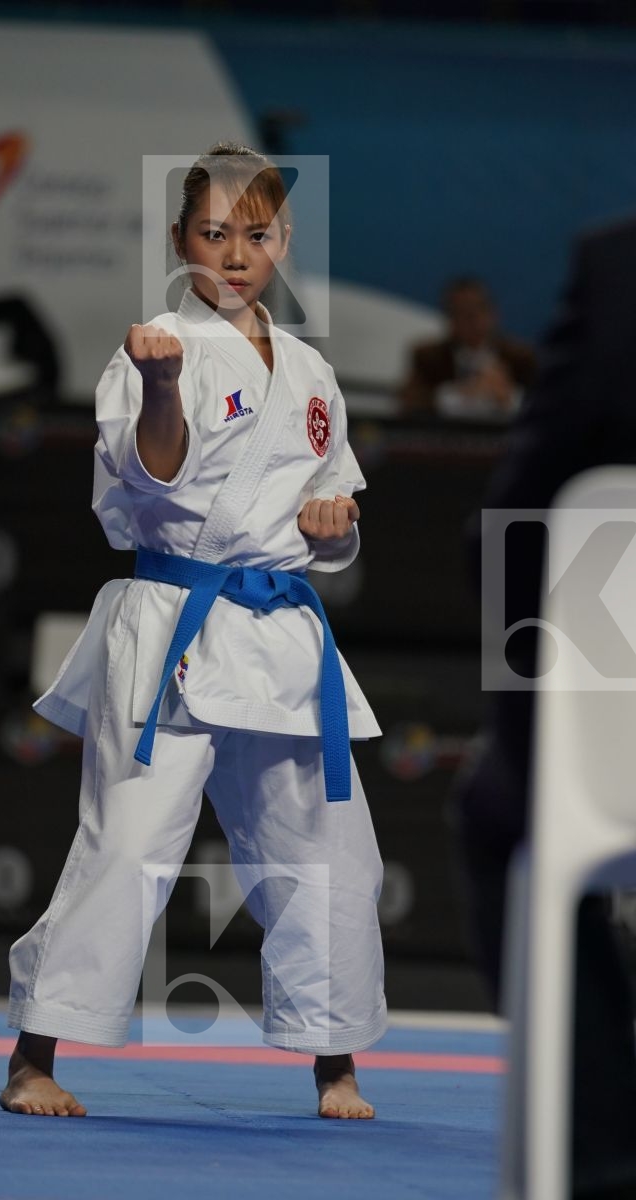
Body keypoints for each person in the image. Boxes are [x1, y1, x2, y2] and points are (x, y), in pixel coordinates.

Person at [0, 143, 387, 1121]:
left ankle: (333, 1061)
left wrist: (330, 528)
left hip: (283, 632)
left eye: (253, 235)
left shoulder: (307, 370)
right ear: (181, 243)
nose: (233, 253)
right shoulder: (150, 346)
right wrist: (163, 389)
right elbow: (147, 477)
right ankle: (33, 1054)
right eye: (212, 234)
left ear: (282, 242)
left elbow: (332, 508)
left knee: (327, 849)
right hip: (173, 617)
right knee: (127, 844)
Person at [456, 216, 636, 1199]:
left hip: (619, 730)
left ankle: (603, 1162)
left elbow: (528, 502)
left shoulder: (620, 265)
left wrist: (530, 735)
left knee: (508, 822)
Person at [399, 276, 536, 419]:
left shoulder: (520, 357)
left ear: (493, 314)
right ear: (450, 319)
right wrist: (464, 393)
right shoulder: (428, 357)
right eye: (463, 313)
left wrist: (509, 396)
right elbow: (411, 404)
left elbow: (543, 406)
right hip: (446, 437)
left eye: (480, 310)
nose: (474, 321)